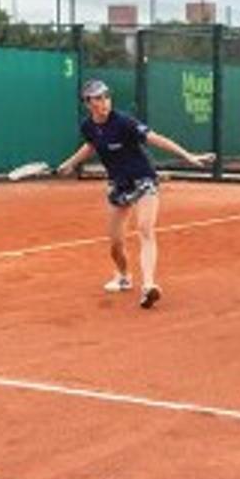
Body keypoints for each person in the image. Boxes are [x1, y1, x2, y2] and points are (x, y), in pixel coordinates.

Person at [54, 80, 212, 309]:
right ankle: (124, 276)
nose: (104, 102)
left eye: (106, 96)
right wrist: (69, 163)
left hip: (144, 179)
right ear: (88, 103)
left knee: (145, 229)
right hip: (119, 184)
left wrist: (188, 156)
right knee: (116, 243)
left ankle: (148, 286)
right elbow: (91, 145)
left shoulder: (124, 122)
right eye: (97, 99)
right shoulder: (88, 126)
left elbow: (156, 138)